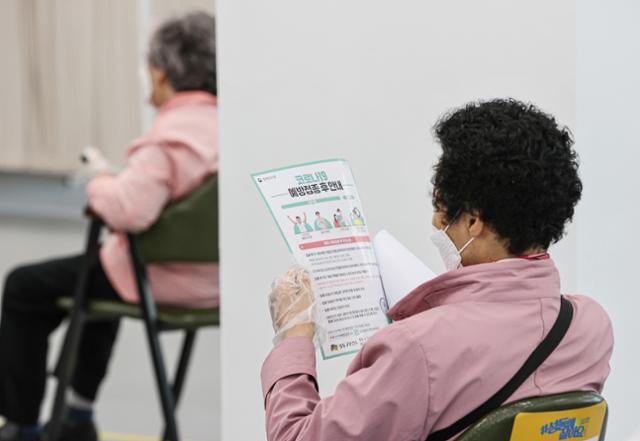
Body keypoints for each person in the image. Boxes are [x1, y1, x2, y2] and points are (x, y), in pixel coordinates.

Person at [262, 99, 613, 441]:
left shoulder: (417, 349)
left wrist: (294, 336)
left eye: (441, 207)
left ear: (474, 220)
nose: (435, 221)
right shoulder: (590, 328)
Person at [0, 11, 217, 441]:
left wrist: (100, 183)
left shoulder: (169, 135)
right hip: (212, 283)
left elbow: (127, 210)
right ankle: (78, 413)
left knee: (25, 287)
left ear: (162, 75)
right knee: (104, 270)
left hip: (160, 282)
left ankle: (21, 426)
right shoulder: (228, 128)